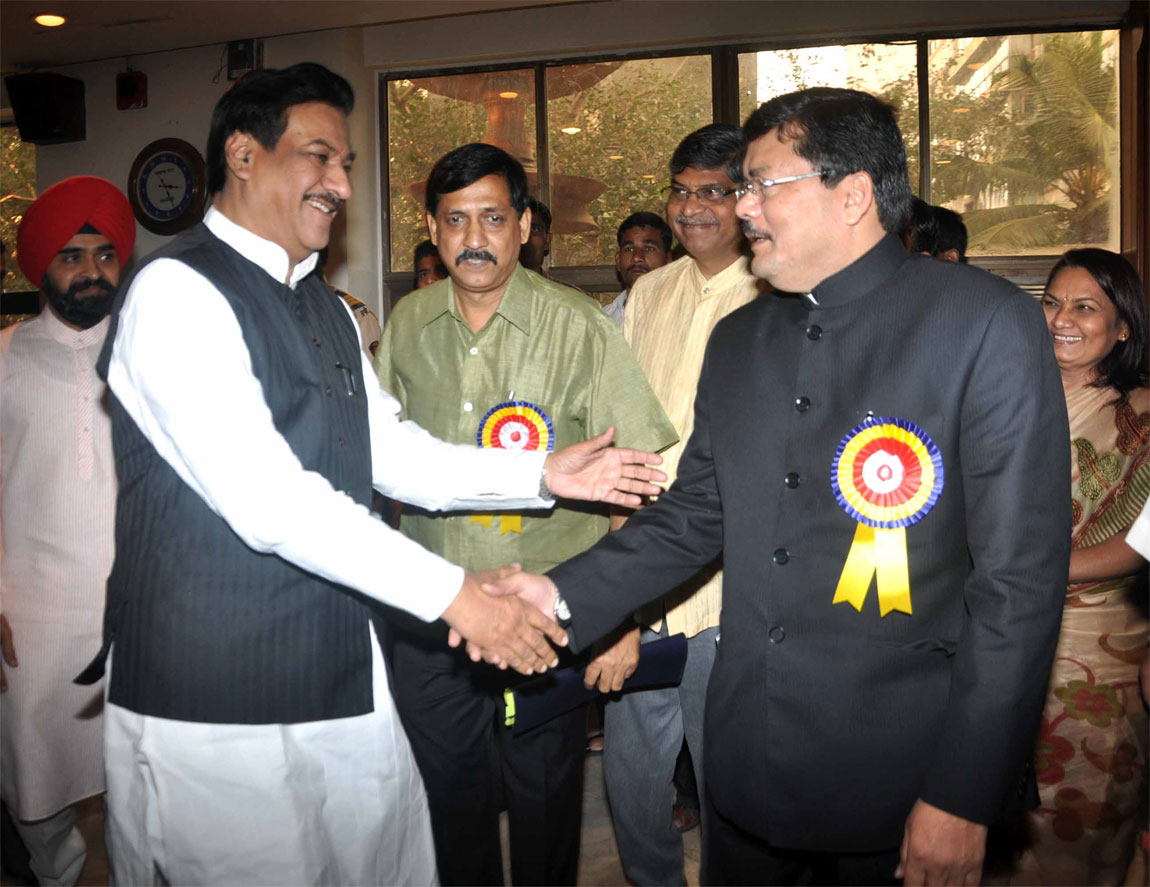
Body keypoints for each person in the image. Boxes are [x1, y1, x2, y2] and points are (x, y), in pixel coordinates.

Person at [86, 64, 665, 887]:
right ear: (243, 155)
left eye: (347, 164)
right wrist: (461, 595)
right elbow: (271, 501)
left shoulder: (322, 305)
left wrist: (542, 471)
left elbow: (396, 455)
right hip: (216, 692)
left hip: (340, 666)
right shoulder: (176, 292)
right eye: (319, 156)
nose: (339, 183)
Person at [483, 87, 1071, 886]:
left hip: (904, 773)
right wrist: (554, 597)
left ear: (854, 193)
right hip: (748, 765)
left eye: (762, 184)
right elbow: (691, 517)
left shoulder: (984, 324)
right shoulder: (739, 340)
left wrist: (963, 794)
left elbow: (1018, 587)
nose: (741, 208)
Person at [374, 142, 677, 886]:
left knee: (545, 810)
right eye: (455, 220)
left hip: (548, 615)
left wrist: (622, 618)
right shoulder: (407, 324)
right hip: (434, 613)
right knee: (451, 807)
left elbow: (635, 483)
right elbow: (382, 464)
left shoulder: (581, 327)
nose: (473, 239)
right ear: (434, 229)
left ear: (525, 226)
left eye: (492, 218)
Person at [588, 123, 764, 886]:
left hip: (733, 585)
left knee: (730, 777)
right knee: (632, 775)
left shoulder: (774, 291)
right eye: (682, 191)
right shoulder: (643, 295)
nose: (693, 208)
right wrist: (617, 590)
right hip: (642, 570)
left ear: (745, 199)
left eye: (714, 192)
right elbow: (618, 431)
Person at [0, 176, 134, 887]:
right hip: (31, 613)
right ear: (42, 266)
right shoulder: (4, 356)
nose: (91, 271)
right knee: (34, 772)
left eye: (105, 254)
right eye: (72, 256)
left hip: (137, 607)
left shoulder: (150, 352)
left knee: (137, 774)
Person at [1003, 248, 1148, 886]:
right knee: (997, 806)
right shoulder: (1003, 395)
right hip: (999, 626)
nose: (1062, 318)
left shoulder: (1140, 413)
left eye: (1085, 307)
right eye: (1052, 302)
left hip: (1098, 646)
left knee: (1083, 816)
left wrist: (1029, 567)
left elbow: (1142, 544)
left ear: (1122, 328)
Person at [603, 211, 672, 326]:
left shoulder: (686, 317)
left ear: (669, 261)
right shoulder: (602, 322)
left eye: (649, 248)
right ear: (618, 260)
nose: (636, 257)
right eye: (629, 249)